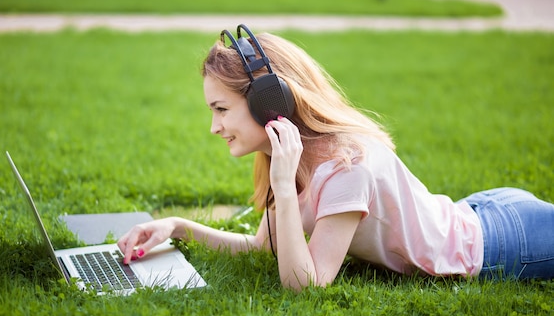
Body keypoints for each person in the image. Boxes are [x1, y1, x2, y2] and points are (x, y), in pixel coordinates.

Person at [117, 25, 554, 291]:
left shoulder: (346, 166)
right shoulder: (286, 153)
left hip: (504, 243)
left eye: (221, 110)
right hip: (476, 210)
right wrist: (175, 227)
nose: (214, 127)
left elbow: (304, 285)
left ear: (270, 101)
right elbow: (261, 248)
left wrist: (285, 190)